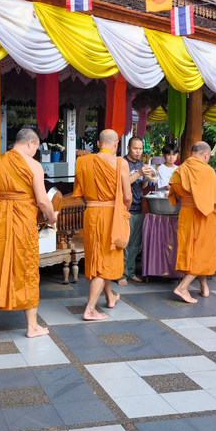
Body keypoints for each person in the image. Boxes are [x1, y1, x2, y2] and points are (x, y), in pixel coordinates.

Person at [0, 129, 58, 342]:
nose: (36, 152)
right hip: (23, 221)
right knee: (27, 268)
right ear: (31, 143)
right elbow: (42, 201)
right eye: (37, 147)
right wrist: (51, 217)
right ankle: (32, 327)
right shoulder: (34, 166)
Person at [170, 142, 216, 303]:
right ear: (206, 155)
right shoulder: (206, 170)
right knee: (204, 251)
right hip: (203, 216)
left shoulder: (180, 169)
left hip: (186, 214)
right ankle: (182, 287)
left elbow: (177, 193)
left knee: (193, 250)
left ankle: (203, 286)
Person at [74, 130, 132, 320]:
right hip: (111, 214)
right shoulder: (120, 163)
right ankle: (90, 309)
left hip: (91, 213)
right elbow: (128, 196)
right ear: (116, 144)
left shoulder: (82, 162)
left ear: (98, 144)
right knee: (104, 259)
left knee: (99, 257)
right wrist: (123, 211)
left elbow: (79, 193)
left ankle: (109, 296)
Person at [120, 137, 155, 286]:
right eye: (135, 148)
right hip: (124, 209)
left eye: (140, 149)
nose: (138, 152)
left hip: (138, 208)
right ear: (128, 148)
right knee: (124, 244)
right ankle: (121, 274)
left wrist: (148, 178)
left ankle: (131, 272)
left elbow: (141, 186)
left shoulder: (141, 164)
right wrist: (140, 173)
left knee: (135, 244)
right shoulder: (122, 163)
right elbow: (123, 183)